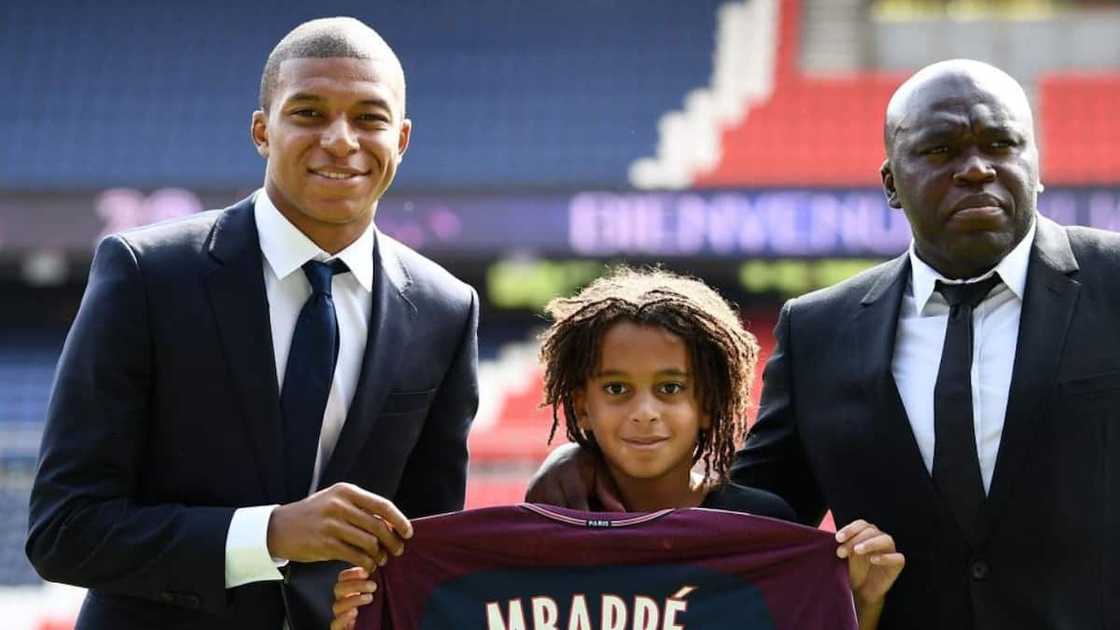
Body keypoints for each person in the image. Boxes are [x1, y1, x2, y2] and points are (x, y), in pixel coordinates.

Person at [526, 59, 1120, 629]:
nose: (975, 169)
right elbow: (750, 511)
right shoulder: (819, 330)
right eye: (940, 150)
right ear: (891, 182)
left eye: (1000, 144)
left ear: (1036, 164)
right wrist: (600, 465)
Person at [25, 17, 479, 630]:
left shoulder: (445, 308)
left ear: (400, 140)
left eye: (368, 118)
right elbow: (65, 528)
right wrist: (270, 534)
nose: (341, 140)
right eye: (310, 113)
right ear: (263, 130)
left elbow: (421, 546)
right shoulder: (147, 274)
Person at [331, 268, 903, 630]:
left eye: (671, 388)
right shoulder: (543, 514)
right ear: (581, 405)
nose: (645, 410)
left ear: (710, 403)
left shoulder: (761, 522)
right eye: (617, 389)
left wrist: (862, 603)